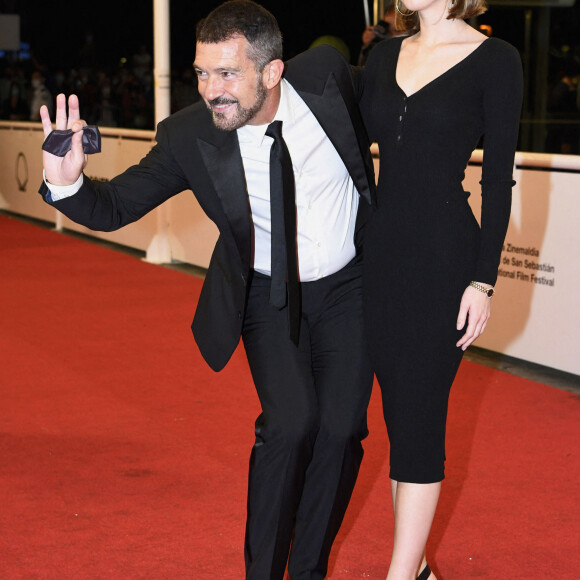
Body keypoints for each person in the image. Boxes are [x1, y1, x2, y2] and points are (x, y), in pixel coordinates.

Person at [38, 1, 376, 578]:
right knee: (291, 424)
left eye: (226, 74)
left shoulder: (327, 77)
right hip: (269, 296)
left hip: (350, 288)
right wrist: (65, 185)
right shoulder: (189, 135)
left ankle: (311, 569)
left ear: (272, 72)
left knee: (342, 432)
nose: (210, 89)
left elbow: (410, 100)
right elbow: (117, 203)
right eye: (201, 72)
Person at [358, 0, 522, 578]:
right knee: (401, 418)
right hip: (377, 259)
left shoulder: (495, 60)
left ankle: (400, 576)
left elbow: (497, 179)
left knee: (422, 415)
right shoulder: (380, 58)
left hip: (446, 262)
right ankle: (421, 569)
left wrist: (484, 279)